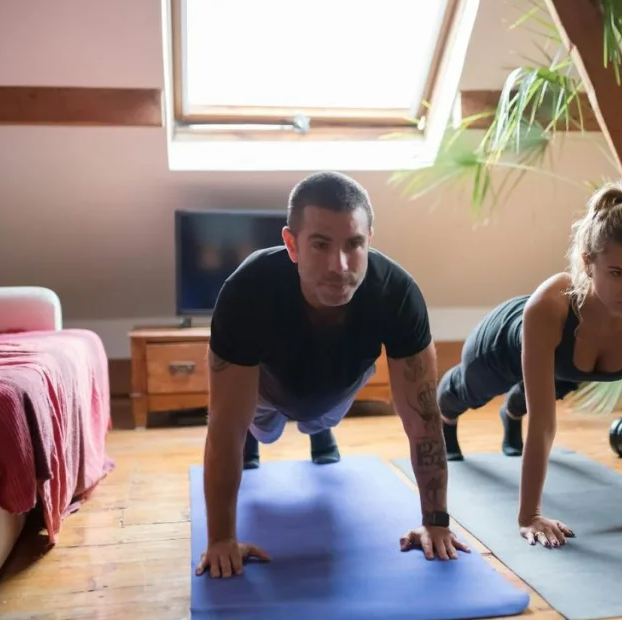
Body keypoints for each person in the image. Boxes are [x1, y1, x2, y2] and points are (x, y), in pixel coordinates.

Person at [195, 171, 470, 578]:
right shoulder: (247, 290)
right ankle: (258, 439)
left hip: (337, 388)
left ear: (369, 240)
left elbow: (423, 419)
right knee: (257, 428)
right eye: (320, 245)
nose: (339, 265)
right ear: (292, 244)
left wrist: (436, 521)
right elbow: (222, 427)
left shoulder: (396, 294)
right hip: (265, 393)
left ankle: (317, 426)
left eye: (353, 244)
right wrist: (220, 539)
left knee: (318, 417)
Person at [437, 179, 622, 547]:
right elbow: (544, 422)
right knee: (469, 392)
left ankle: (511, 416)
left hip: (566, 364)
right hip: (503, 345)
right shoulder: (549, 306)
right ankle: (445, 418)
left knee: (539, 393)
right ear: (588, 263)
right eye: (617, 273)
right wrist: (530, 515)